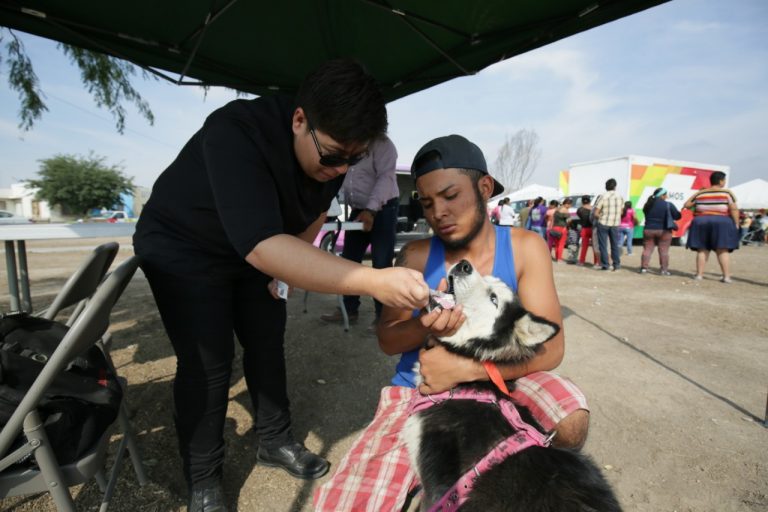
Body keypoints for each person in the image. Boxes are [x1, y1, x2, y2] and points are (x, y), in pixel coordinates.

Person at [133, 59, 429, 512]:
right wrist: (370, 279)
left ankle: (274, 438)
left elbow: (311, 214)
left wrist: (282, 269)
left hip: (260, 246)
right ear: (299, 120)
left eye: (353, 159)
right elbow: (259, 244)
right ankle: (204, 476)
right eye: (332, 156)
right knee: (209, 361)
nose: (339, 169)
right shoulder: (235, 131)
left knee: (266, 339)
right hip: (184, 244)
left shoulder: (333, 154)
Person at [314, 135, 589, 512]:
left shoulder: (525, 247)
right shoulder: (415, 255)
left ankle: (533, 480)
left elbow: (552, 348)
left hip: (504, 379)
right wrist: (427, 326)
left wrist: (468, 368)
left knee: (571, 414)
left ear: (484, 187)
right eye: (427, 203)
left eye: (449, 196)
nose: (437, 212)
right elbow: (389, 341)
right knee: (350, 502)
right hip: (421, 386)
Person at [320, 135, 400, 328]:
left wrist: (371, 210)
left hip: (383, 207)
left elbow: (385, 178)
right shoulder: (348, 142)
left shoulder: (383, 145)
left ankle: (383, 317)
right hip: (358, 208)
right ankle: (348, 310)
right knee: (349, 261)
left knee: (381, 263)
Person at [683, 171, 740, 283]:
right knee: (722, 250)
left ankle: (699, 275)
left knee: (702, 249)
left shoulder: (701, 193)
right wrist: (736, 223)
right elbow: (733, 208)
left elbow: (687, 205)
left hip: (701, 221)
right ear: (720, 181)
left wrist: (698, 193)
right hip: (721, 221)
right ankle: (726, 277)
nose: (724, 182)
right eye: (724, 180)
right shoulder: (727, 193)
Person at [639, 188, 681, 275]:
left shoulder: (648, 205)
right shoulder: (668, 205)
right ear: (662, 195)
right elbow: (677, 216)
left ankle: (643, 268)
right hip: (664, 231)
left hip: (648, 229)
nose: (667, 196)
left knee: (647, 249)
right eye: (666, 194)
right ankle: (664, 270)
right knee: (664, 251)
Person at [593, 178, 624, 271]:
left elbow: (596, 212)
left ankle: (605, 265)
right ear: (615, 186)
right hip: (615, 223)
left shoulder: (603, 196)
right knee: (614, 244)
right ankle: (616, 264)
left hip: (603, 223)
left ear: (606, 187)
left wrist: (601, 216)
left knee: (603, 245)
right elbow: (621, 211)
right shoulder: (620, 196)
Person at [576, 195, 599, 266]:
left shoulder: (579, 210)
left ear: (582, 201)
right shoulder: (594, 209)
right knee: (595, 247)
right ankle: (596, 262)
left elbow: (580, 217)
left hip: (584, 229)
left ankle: (581, 261)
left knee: (584, 247)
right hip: (593, 228)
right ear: (589, 201)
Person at [548, 198, 571, 262]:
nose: (570, 206)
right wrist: (568, 225)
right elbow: (569, 220)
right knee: (561, 244)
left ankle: (557, 257)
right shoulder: (565, 210)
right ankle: (559, 258)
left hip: (554, 228)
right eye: (570, 205)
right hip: (562, 228)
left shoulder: (557, 209)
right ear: (567, 204)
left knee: (556, 244)